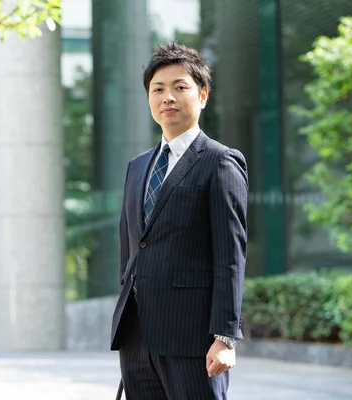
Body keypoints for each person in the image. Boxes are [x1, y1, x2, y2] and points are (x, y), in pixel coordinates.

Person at [110, 42, 248, 400]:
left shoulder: (220, 162)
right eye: (158, 89)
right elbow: (130, 252)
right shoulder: (137, 167)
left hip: (194, 340)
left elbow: (230, 257)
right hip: (137, 339)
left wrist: (225, 336)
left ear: (202, 95)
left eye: (179, 87)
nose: (167, 96)